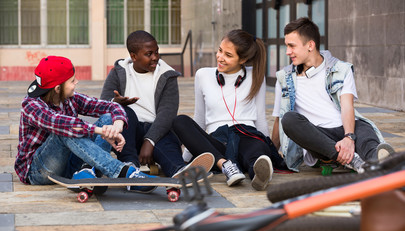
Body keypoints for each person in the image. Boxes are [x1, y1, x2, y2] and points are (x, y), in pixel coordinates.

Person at [15, 56, 158, 193]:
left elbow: (110, 106)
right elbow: (65, 125)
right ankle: (124, 173)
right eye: (72, 81)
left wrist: (117, 126)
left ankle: (87, 171)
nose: (76, 82)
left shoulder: (69, 98)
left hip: (68, 164)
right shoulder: (31, 106)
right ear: (57, 88)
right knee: (66, 130)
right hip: (38, 171)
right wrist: (101, 132)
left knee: (107, 118)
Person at [271, 17, 395, 173]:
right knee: (289, 120)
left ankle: (381, 165)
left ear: (310, 45)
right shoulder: (284, 78)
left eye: (291, 46)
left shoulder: (341, 69)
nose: (287, 51)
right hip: (320, 138)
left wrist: (349, 137)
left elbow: (347, 106)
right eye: (286, 46)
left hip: (349, 127)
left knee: (366, 135)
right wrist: (271, 154)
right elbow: (279, 119)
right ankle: (354, 160)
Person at [172, 29, 286, 191]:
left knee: (256, 149)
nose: (220, 57)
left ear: (243, 59)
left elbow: (260, 117)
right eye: (220, 51)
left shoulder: (256, 76)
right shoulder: (203, 75)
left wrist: (271, 150)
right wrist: (187, 157)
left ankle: (260, 173)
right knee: (180, 121)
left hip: (247, 135)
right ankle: (226, 166)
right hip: (217, 141)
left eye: (228, 55)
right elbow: (199, 119)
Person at [100, 30, 214, 179]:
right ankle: (129, 167)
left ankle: (179, 171)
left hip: (157, 131)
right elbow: (102, 105)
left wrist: (149, 141)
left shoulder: (167, 75)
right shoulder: (118, 72)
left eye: (157, 52)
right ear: (134, 56)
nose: (155, 58)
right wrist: (115, 103)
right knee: (125, 112)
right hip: (129, 133)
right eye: (149, 54)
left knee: (167, 140)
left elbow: (167, 113)